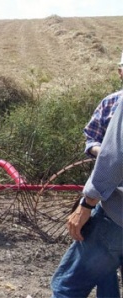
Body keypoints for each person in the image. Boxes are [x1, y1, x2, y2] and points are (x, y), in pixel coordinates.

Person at [51, 55, 123, 297]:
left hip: (115, 210)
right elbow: (92, 138)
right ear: (119, 72)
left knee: (67, 286)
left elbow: (114, 159)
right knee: (105, 273)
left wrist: (86, 203)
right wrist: (97, 149)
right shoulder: (109, 102)